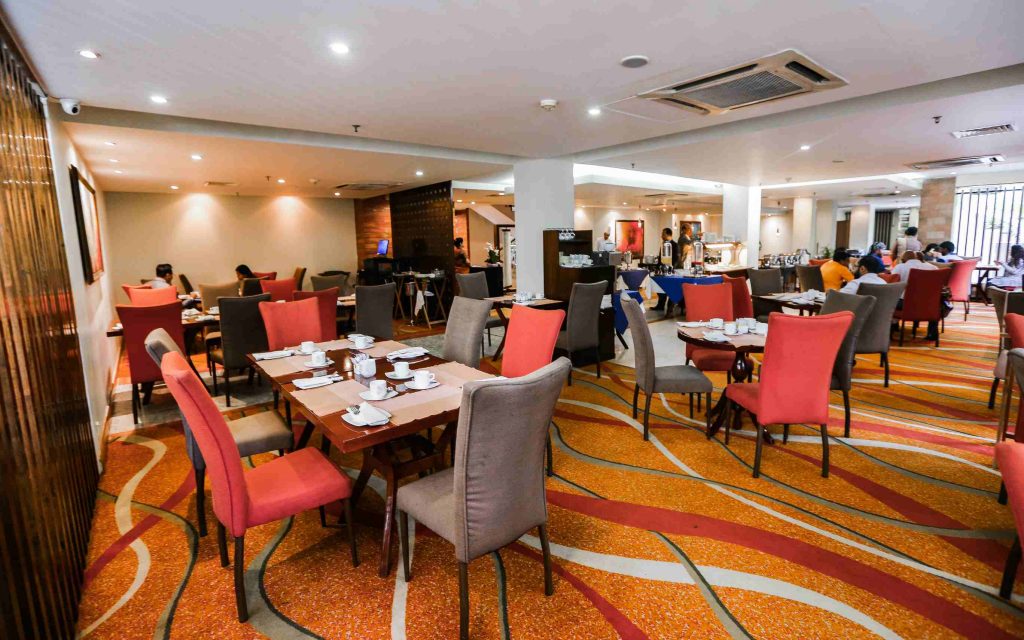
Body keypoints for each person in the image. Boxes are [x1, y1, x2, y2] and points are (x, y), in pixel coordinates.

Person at [652, 228, 680, 311]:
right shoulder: (663, 244)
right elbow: (660, 258)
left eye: (663, 234)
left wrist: (671, 268)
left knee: (670, 289)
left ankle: (669, 307)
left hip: (671, 271)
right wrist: (657, 268)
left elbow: (676, 259)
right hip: (662, 271)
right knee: (660, 288)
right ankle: (660, 305)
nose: (661, 236)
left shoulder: (675, 245)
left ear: (668, 234)